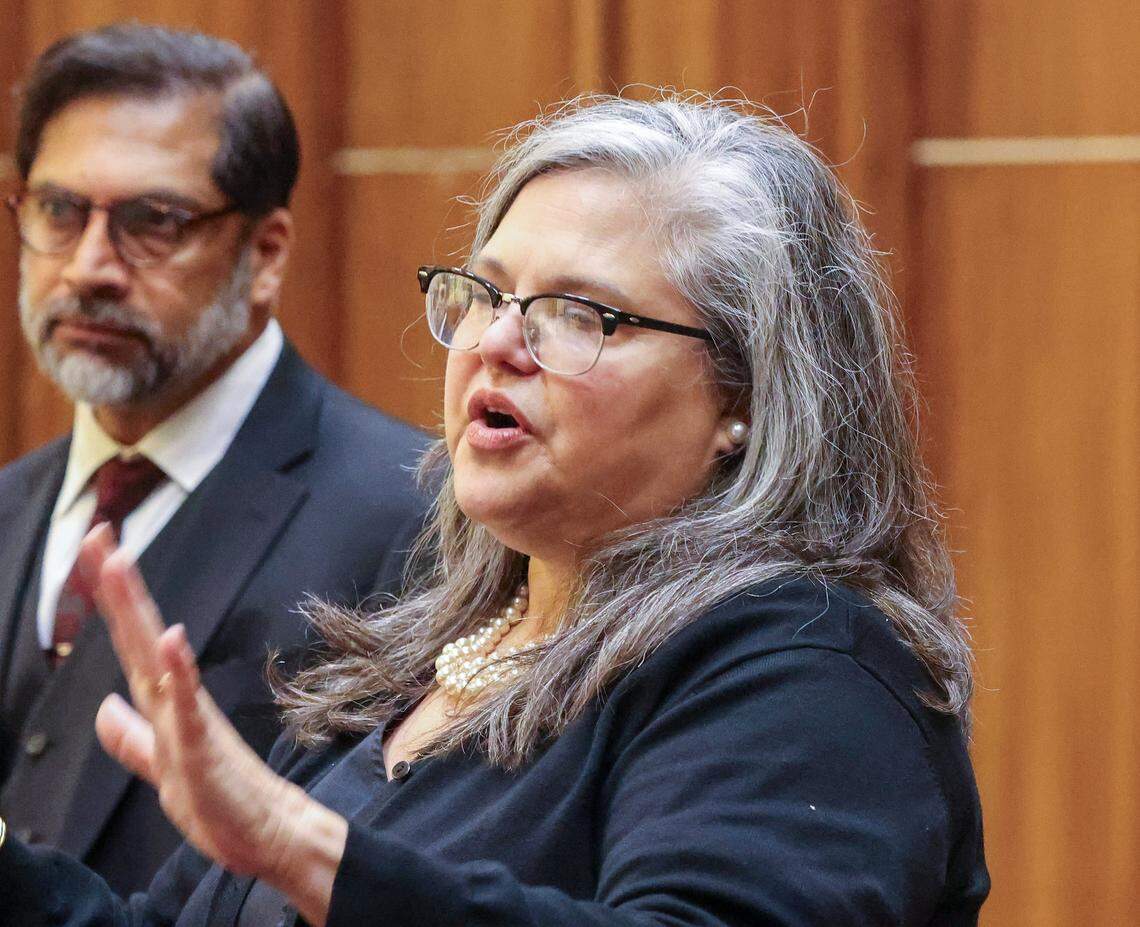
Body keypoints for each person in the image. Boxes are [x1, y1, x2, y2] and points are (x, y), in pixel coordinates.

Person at [0, 91, 989, 925]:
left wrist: (306, 853)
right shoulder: (405, 664)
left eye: (578, 314)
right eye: (487, 292)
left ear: (742, 394)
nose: (494, 344)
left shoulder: (809, 673)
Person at [0, 23, 426, 897]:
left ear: (265, 254)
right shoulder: (8, 504)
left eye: (152, 222)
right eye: (58, 210)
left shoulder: (410, 516)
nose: (89, 266)